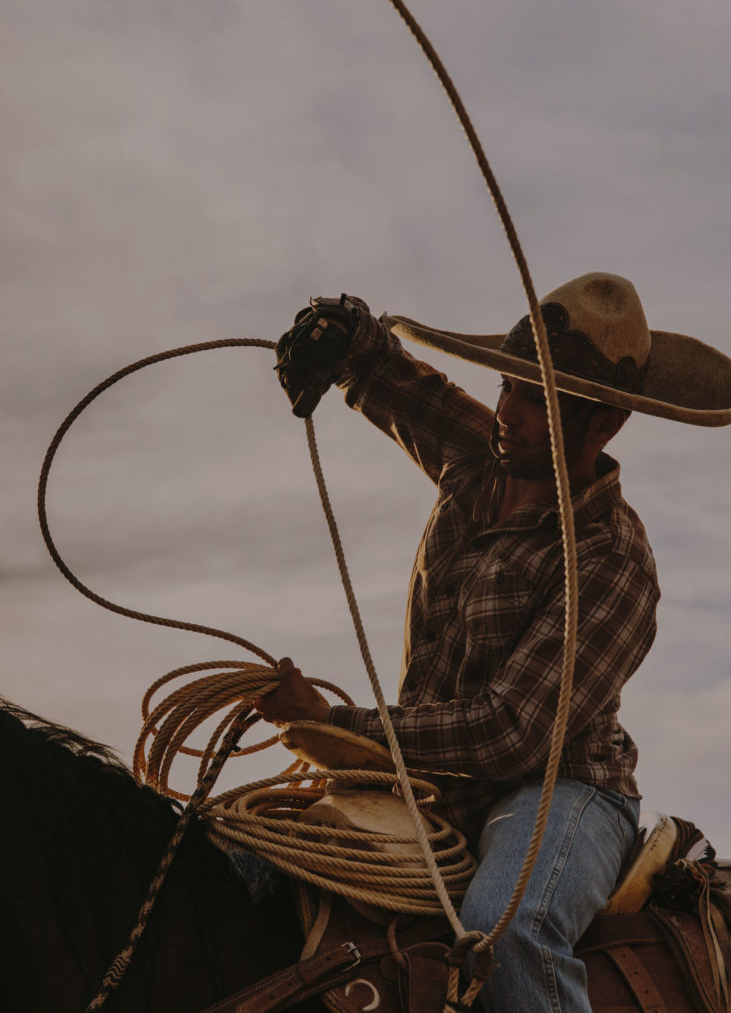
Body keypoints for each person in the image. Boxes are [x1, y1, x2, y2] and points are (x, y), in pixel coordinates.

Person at [254, 272, 731, 1012]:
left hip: (560, 789)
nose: (507, 410)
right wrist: (346, 335)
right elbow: (396, 381)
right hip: (439, 784)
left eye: (536, 399)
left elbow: (511, 732)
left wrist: (336, 723)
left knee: (508, 933)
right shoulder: (483, 453)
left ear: (602, 425)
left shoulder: (610, 560)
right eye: (508, 385)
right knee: (250, 879)